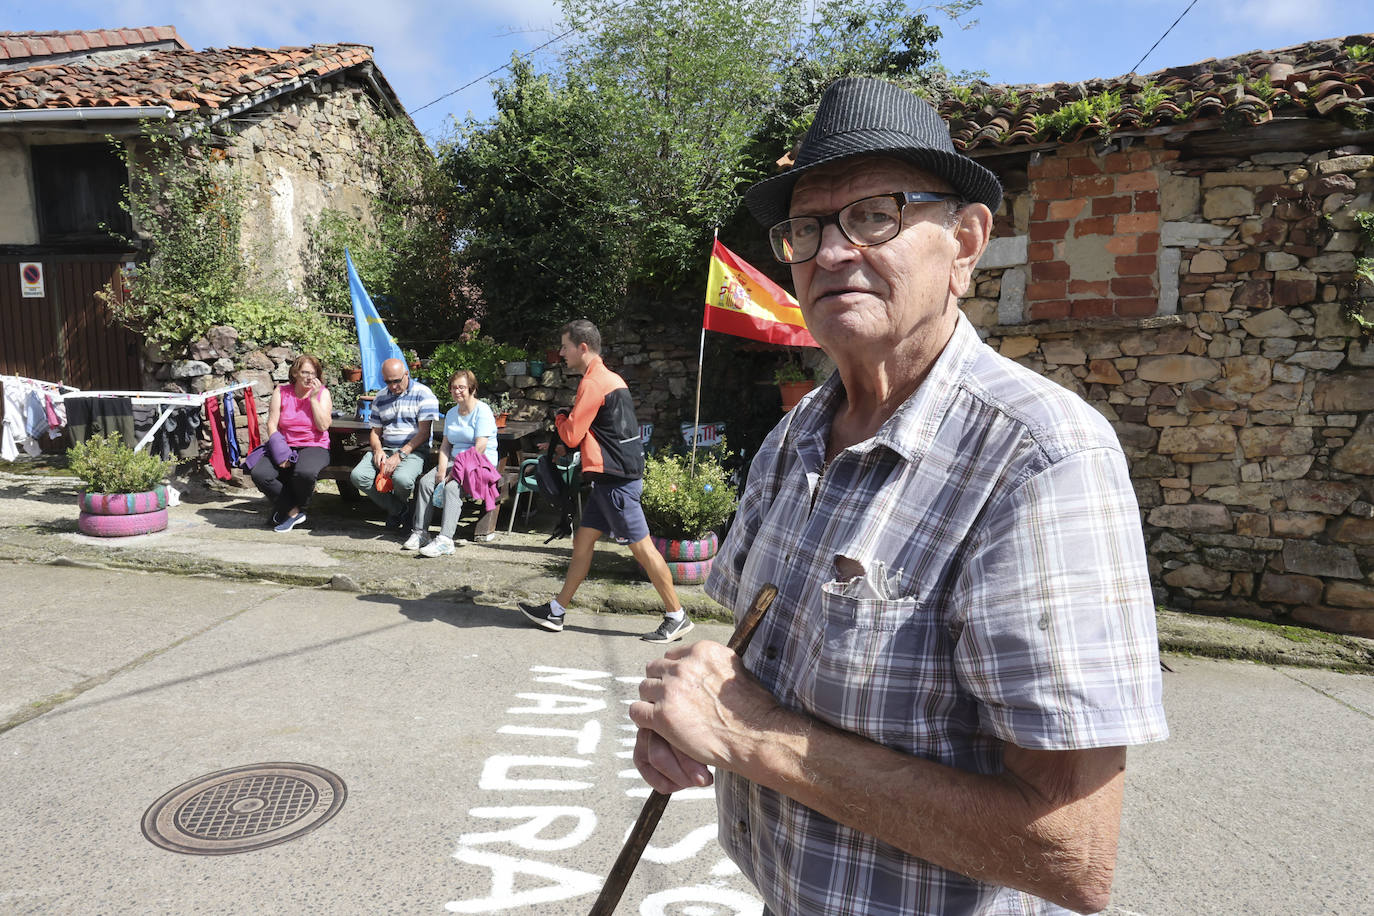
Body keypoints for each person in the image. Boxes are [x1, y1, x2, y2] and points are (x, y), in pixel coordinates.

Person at [629, 77, 1168, 915]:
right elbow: (747, 651)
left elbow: (1072, 854)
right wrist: (691, 701)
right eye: (805, 228)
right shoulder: (801, 430)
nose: (832, 251)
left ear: (965, 243)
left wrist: (750, 737)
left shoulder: (1039, 459)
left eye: (875, 214)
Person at [518, 320, 692, 643]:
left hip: (616, 484)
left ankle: (676, 615)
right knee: (582, 542)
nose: (561, 352)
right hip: (611, 481)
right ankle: (556, 611)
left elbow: (571, 435)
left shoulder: (593, 383)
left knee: (643, 550)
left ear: (582, 347)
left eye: (565, 346)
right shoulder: (612, 379)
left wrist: (558, 416)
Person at [405, 368, 501, 556]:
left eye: (462, 387)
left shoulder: (482, 411)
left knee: (451, 488)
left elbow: (480, 447)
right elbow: (446, 446)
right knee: (426, 482)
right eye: (454, 387)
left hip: (478, 463)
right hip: (455, 460)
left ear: (472, 389)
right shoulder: (451, 413)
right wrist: (441, 470)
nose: (457, 391)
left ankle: (445, 539)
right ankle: (420, 532)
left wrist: (453, 474)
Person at [348, 357, 441, 532]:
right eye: (388, 382)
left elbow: (424, 433)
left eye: (396, 381)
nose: (393, 386)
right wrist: (377, 450)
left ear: (407, 374)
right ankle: (400, 510)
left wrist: (400, 455)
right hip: (387, 448)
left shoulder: (423, 394)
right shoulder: (380, 397)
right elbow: (375, 432)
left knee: (402, 480)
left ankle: (396, 511)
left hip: (414, 450)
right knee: (358, 475)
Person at [249, 354, 332, 533]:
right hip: (285, 443)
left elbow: (323, 426)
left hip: (314, 444)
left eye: (313, 373)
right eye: (305, 372)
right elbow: (271, 424)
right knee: (260, 473)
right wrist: (280, 451)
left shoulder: (322, 393)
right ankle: (293, 511)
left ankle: (289, 510)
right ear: (295, 373)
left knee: (304, 473)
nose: (310, 377)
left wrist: (313, 399)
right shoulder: (282, 391)